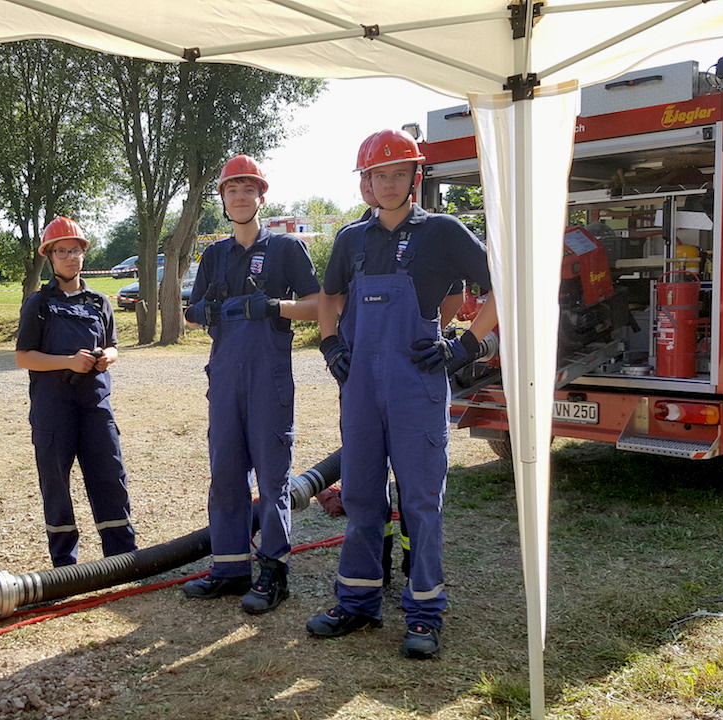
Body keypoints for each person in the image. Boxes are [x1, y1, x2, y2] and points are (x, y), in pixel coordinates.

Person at [307, 129, 498, 659]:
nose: (388, 184)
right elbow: (329, 299)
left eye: (398, 173)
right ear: (365, 182)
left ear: (415, 175)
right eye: (377, 175)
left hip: (417, 385)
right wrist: (329, 347)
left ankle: (424, 612)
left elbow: (502, 284)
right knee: (363, 496)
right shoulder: (350, 239)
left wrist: (467, 345)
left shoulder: (443, 231)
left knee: (420, 500)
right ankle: (358, 603)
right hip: (361, 386)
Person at [181, 155, 321, 615]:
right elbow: (192, 312)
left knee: (272, 478)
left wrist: (275, 307)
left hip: (268, 378)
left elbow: (321, 307)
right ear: (222, 198)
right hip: (223, 376)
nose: (239, 197)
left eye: (248, 190)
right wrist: (204, 312)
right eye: (231, 190)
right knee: (225, 476)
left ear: (262, 196)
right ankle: (229, 568)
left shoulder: (285, 249)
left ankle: (273, 572)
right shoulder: (215, 254)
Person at [15, 217, 137, 567]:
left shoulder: (99, 302)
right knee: (56, 482)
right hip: (54, 407)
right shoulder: (38, 304)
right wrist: (69, 361)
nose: (70, 257)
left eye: (75, 250)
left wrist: (105, 358)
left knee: (109, 474)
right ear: (50, 257)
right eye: (62, 251)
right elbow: (24, 356)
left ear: (84, 253)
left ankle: (122, 557)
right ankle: (65, 565)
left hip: (95, 403)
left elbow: (113, 346)